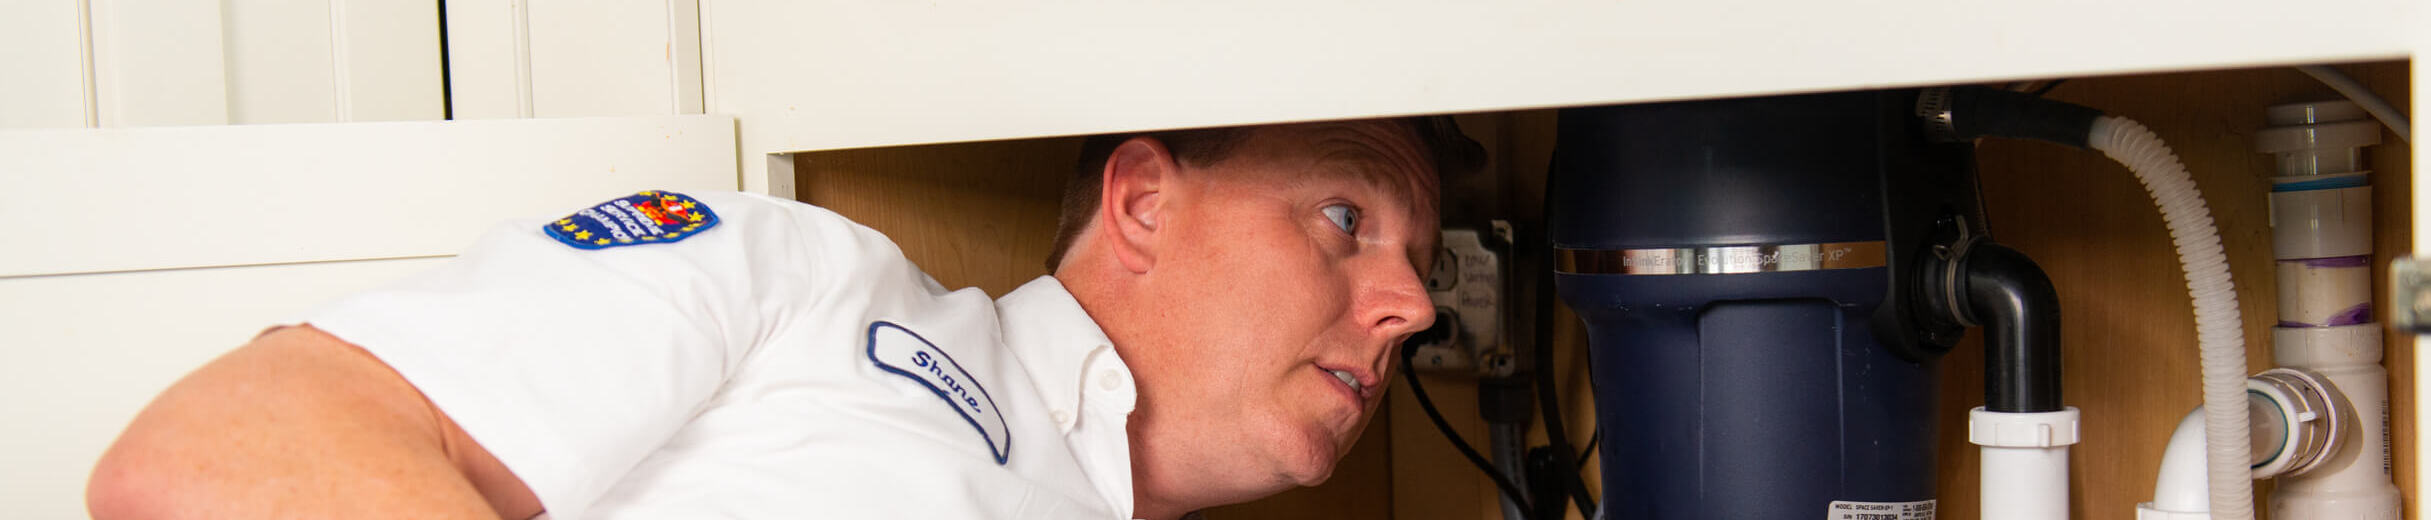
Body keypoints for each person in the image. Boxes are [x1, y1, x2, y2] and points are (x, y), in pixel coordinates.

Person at [86, 116, 1486, 519]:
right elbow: (230, 448)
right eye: (1345, 219)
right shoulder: (812, 284)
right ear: (1139, 203)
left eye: (1421, 263)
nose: (1412, 304)